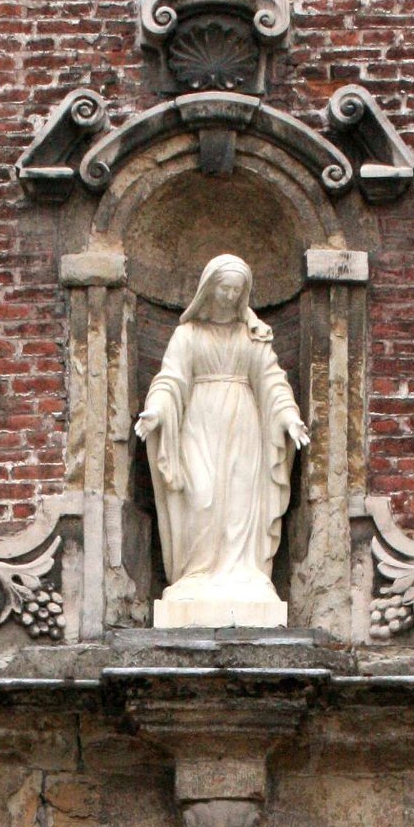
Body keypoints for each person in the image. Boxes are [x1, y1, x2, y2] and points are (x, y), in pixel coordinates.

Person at [135, 253, 309, 628]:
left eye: (237, 290)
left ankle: (244, 574)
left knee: (241, 497)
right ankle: (195, 574)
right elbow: (171, 379)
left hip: (245, 424)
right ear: (209, 290)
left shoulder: (253, 335)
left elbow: (272, 381)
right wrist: (157, 411)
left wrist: (289, 418)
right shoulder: (188, 334)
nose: (230, 296)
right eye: (224, 288)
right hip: (198, 422)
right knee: (202, 496)